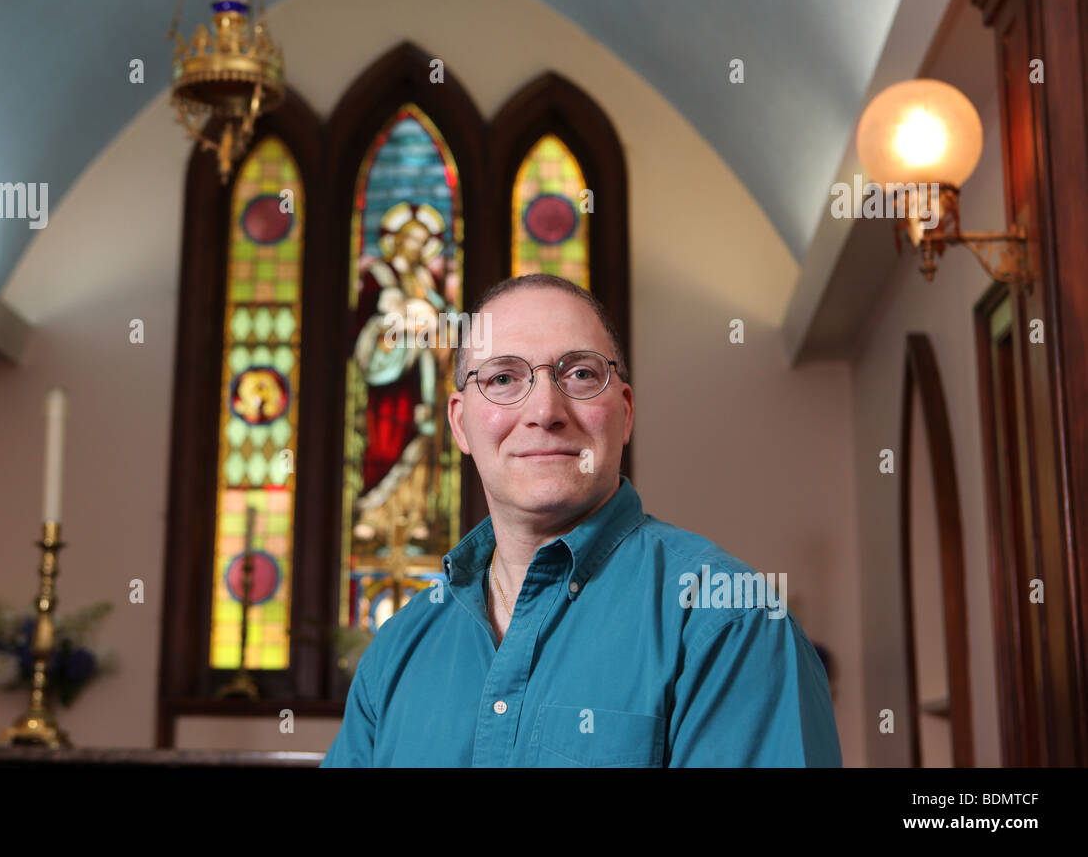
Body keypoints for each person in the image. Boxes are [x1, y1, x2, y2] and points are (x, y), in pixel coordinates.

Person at [321, 273, 841, 766]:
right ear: (460, 423)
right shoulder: (396, 651)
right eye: (503, 377)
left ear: (625, 411)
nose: (545, 409)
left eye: (581, 374)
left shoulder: (729, 621)